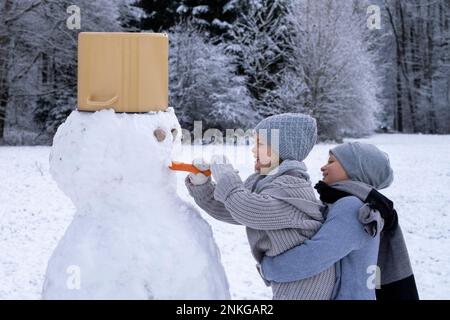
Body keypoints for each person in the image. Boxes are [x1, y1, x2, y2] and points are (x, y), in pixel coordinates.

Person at [185, 113, 335, 299]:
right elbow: (231, 208)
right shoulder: (268, 183)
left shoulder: (292, 185)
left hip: (309, 283)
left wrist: (226, 175)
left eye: (260, 144)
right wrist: (203, 186)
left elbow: (246, 208)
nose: (254, 150)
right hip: (291, 277)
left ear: (282, 149)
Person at [259, 142, 419, 300]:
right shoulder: (354, 204)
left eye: (331, 161)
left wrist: (268, 268)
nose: (323, 167)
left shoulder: (353, 207)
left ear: (354, 169)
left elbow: (315, 255)